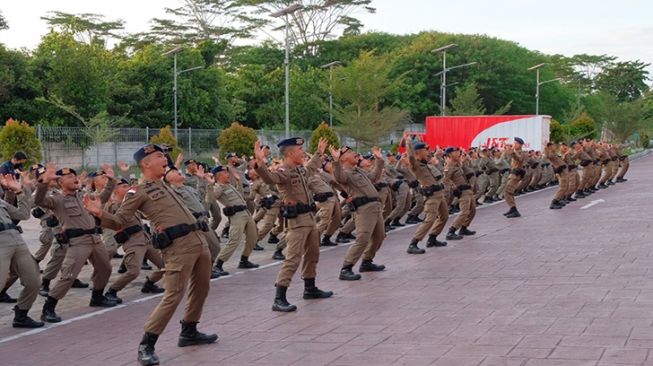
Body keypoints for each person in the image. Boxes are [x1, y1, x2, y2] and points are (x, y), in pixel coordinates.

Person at [84, 144, 217, 366]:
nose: (165, 159)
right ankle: (147, 344)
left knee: (202, 287)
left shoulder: (164, 185)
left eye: (164, 155)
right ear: (146, 164)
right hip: (178, 247)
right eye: (158, 156)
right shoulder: (138, 191)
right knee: (173, 294)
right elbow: (120, 220)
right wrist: (100, 213)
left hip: (197, 241)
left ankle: (189, 330)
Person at [253, 137, 333, 312]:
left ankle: (310, 288)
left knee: (313, 254)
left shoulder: (299, 170)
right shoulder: (285, 171)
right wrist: (260, 163)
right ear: (289, 153)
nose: (303, 152)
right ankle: (279, 298)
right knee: (293, 258)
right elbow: (270, 178)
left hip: (310, 218)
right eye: (299, 150)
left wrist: (319, 153)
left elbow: (311, 168)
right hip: (297, 222)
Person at [35, 166, 117, 323]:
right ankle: (48, 308)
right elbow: (39, 201)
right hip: (78, 242)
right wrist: (43, 182)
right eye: (68, 177)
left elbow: (103, 197)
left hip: (95, 238)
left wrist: (111, 181)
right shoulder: (57, 199)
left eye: (74, 175)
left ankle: (97, 298)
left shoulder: (83, 196)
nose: (74, 178)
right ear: (60, 182)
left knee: (105, 269)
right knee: (68, 276)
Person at [330, 145, 389, 279]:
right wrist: (335, 161)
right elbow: (339, 178)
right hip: (364, 209)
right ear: (343, 158)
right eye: (351, 153)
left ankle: (367, 261)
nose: (355, 154)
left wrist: (379, 161)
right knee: (363, 238)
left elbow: (373, 177)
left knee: (379, 236)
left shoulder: (358, 171)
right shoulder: (345, 173)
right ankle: (346, 268)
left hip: (374, 207)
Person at [104, 178, 165, 304]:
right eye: (124, 186)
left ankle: (149, 284)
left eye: (128, 186)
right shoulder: (113, 206)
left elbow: (145, 215)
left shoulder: (131, 203)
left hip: (145, 240)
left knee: (165, 265)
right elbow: (108, 219)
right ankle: (112, 291)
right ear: (115, 190)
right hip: (133, 242)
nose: (128, 188)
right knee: (133, 271)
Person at [0, 173, 44, 328]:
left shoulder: (1, 203)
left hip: (17, 241)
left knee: (33, 281)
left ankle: (21, 315)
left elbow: (23, 214)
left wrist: (18, 192)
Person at [207, 165, 259, 276]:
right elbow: (210, 199)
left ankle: (244, 260)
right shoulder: (218, 187)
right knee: (234, 240)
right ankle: (218, 264)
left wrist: (239, 182)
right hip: (237, 216)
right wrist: (210, 185)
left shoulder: (229, 185)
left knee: (253, 237)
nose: (228, 175)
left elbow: (241, 196)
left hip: (245, 213)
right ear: (219, 176)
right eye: (225, 173)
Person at [405, 140, 450, 250]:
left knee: (444, 216)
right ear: (418, 152)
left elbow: (439, 175)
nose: (428, 152)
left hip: (439, 194)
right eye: (425, 150)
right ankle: (413, 243)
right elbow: (410, 157)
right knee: (430, 219)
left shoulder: (426, 165)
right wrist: (408, 144)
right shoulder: (416, 165)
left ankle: (432, 238)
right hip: (432, 196)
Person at [443, 147, 477, 239]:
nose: (458, 153)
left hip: (467, 190)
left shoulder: (457, 165)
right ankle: (451, 231)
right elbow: (446, 180)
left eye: (458, 152)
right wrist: (454, 188)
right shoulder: (449, 166)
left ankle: (464, 228)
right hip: (462, 191)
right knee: (464, 212)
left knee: (472, 211)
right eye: (456, 152)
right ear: (449, 155)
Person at [503, 138, 527, 218]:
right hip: (513, 174)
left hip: (516, 175)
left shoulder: (521, 153)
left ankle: (513, 209)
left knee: (506, 192)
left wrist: (512, 152)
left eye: (516, 143)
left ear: (520, 145)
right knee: (510, 192)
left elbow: (519, 159)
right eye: (514, 143)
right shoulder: (515, 152)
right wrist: (507, 149)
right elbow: (507, 156)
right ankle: (512, 208)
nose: (514, 145)